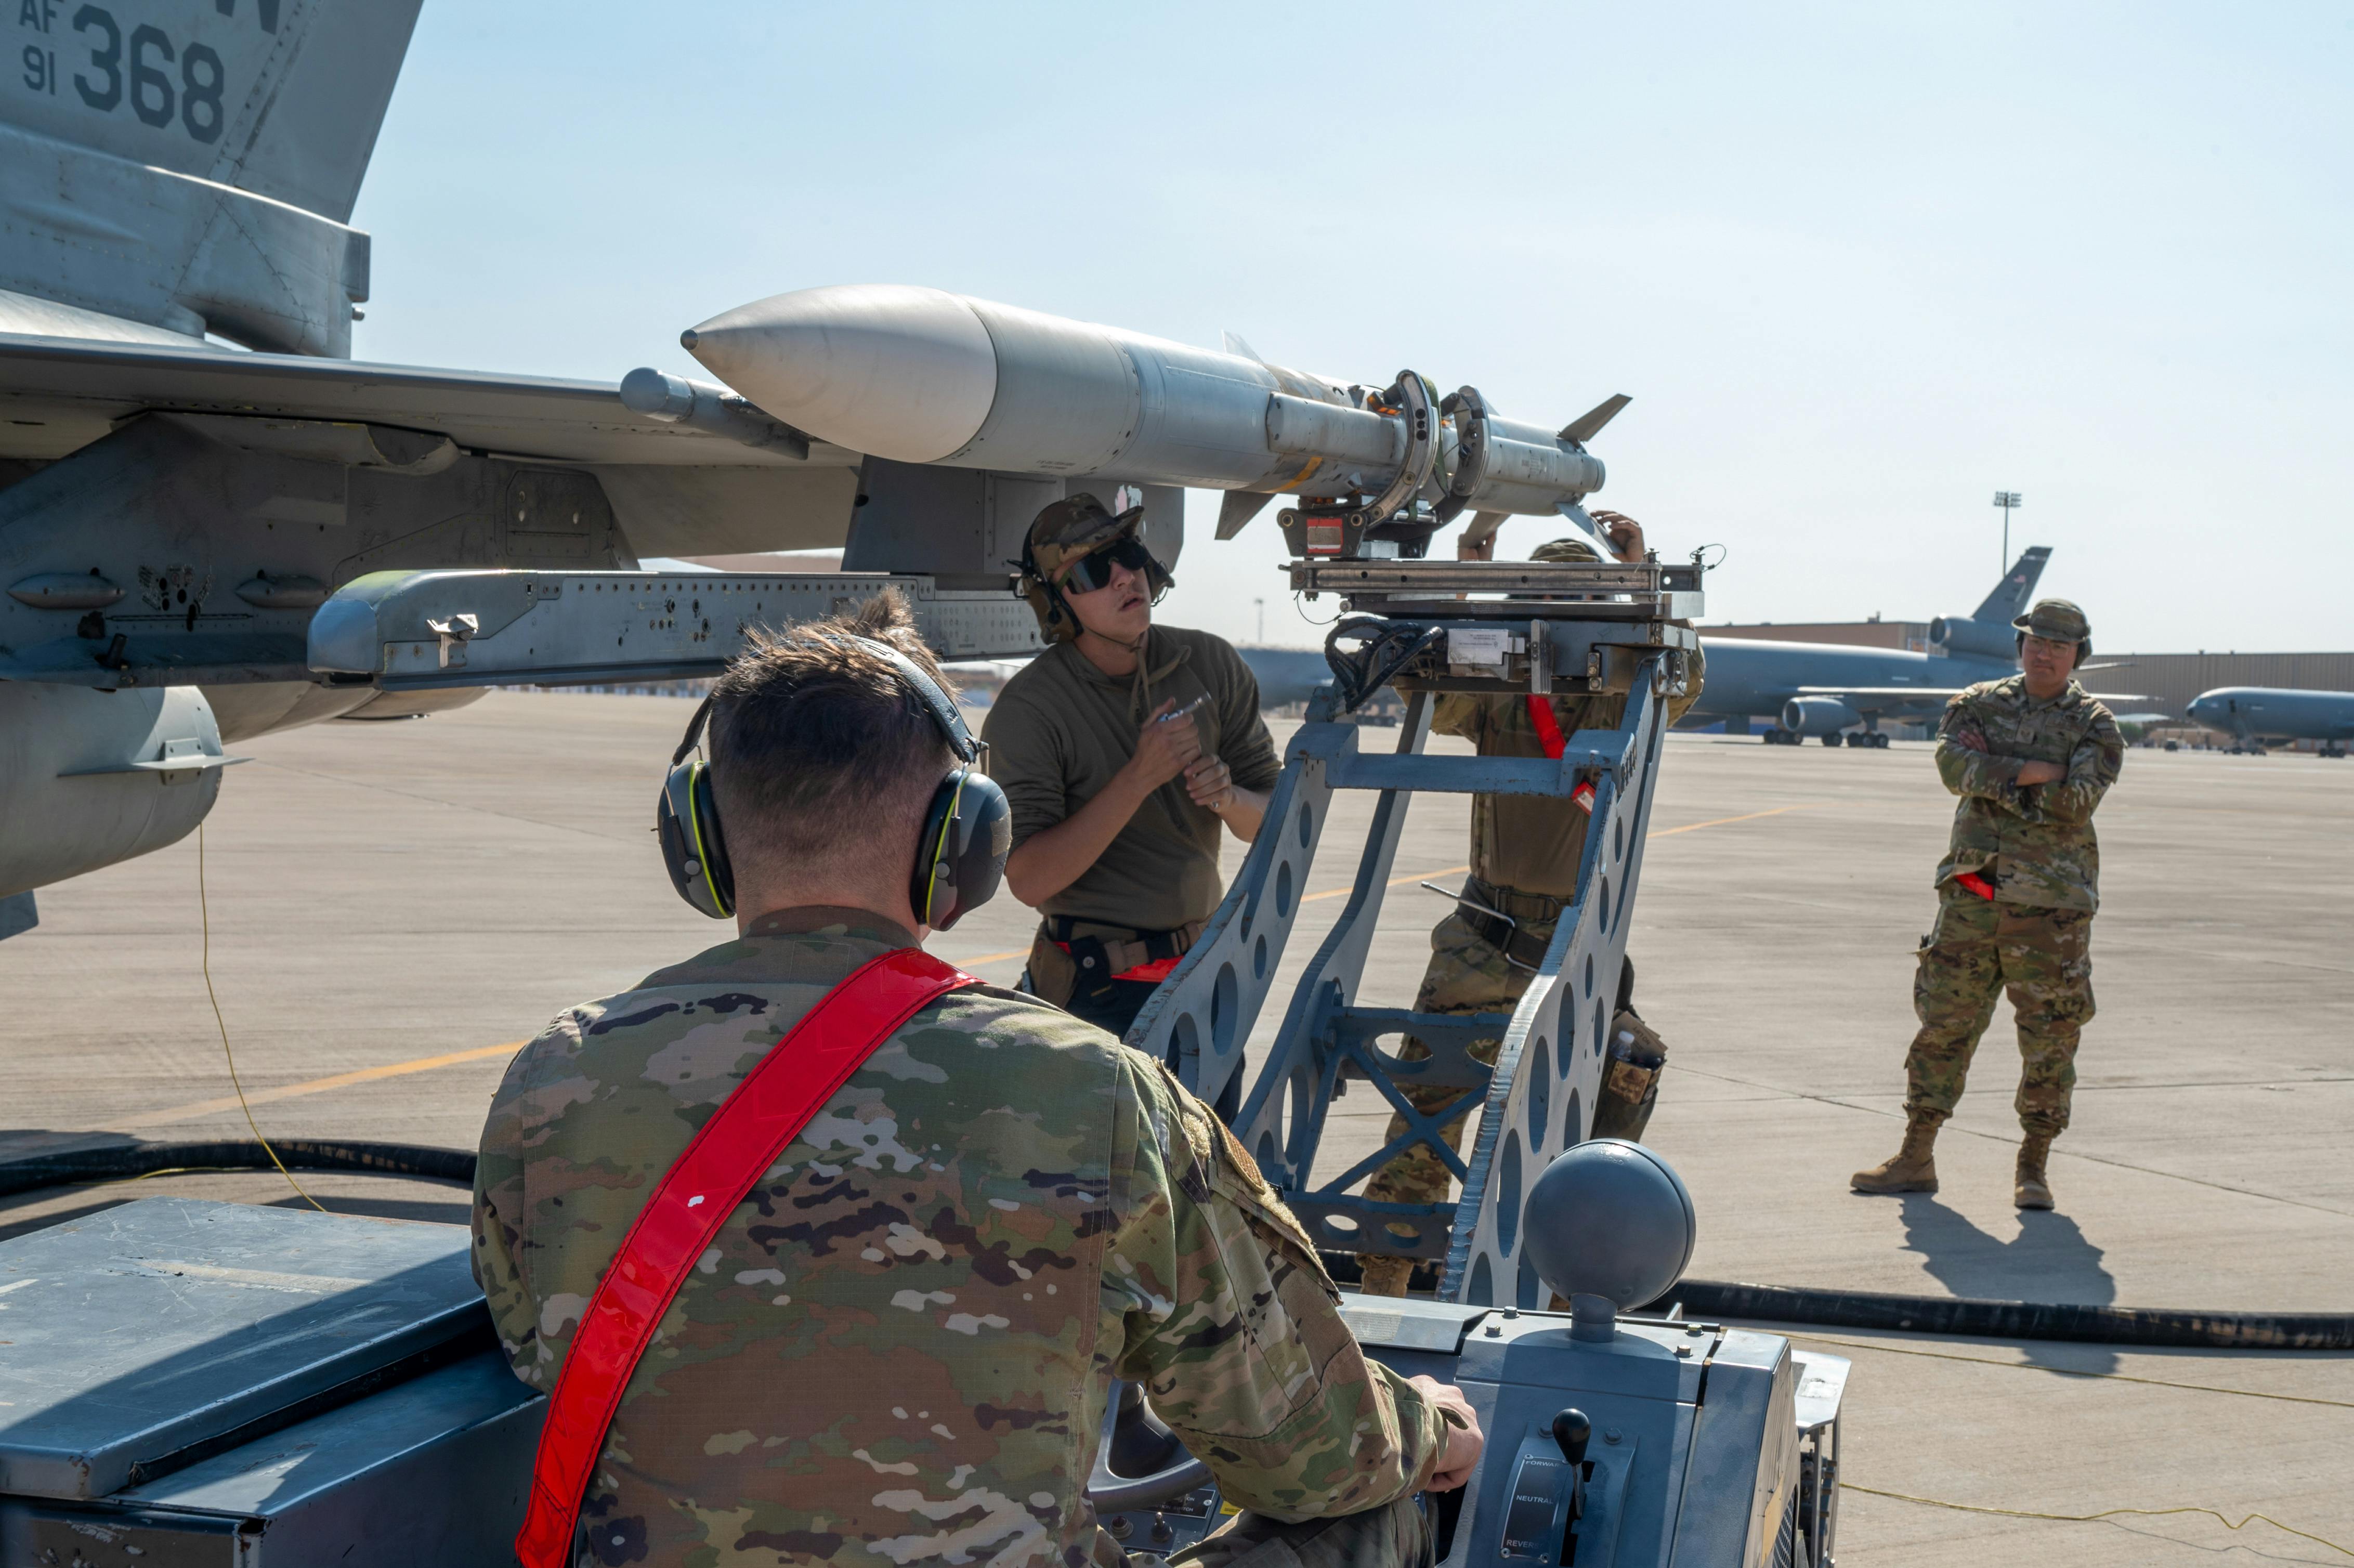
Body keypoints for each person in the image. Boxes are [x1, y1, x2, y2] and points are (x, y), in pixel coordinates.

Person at [473, 593, 1482, 1568]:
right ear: (961, 842)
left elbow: (530, 1343)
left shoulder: (552, 1078)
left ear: (700, 840)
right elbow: (1312, 1450)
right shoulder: (1095, 1094)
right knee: (1375, 1508)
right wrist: (1432, 1429)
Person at [1355, 515, 1706, 1297]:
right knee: (1425, 1112)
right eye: (1538, 592)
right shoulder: (1500, 691)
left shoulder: (1628, 693)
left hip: (1581, 939)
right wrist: (1466, 576)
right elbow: (1424, 679)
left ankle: (1570, 1282)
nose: (1555, 606)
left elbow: (1680, 678)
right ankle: (1387, 1277)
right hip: (1487, 932)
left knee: (1613, 1091)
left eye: (1576, 594)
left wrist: (1640, 573)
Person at [988, 494, 1281, 1078]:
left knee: (1207, 1169)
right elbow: (1029, 878)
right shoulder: (1031, 709)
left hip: (1203, 985)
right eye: (1096, 570)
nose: (1125, 577)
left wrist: (1229, 799)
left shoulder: (1212, 664)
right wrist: (1138, 777)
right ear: (1056, 603)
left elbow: (1272, 820)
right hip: (1094, 999)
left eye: (1128, 555)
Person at [1851, 597, 2124, 1211]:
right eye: (2034, 640)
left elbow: (2075, 802)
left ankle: (2033, 1165)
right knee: (1943, 1027)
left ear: (2078, 654)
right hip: (1973, 895)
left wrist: (1994, 777)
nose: (2044, 651)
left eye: (2058, 645)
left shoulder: (2096, 725)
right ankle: (1915, 1155)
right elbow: (1952, 767)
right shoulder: (1977, 702)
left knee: (2050, 1038)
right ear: (2020, 645)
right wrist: (2034, 770)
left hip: (2051, 912)